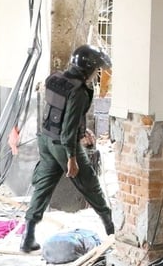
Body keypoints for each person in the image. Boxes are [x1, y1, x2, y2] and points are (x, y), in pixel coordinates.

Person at [21, 44, 114, 253]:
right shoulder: (79, 91)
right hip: (64, 144)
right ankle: (111, 228)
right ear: (88, 68)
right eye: (96, 69)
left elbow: (60, 114)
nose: (96, 73)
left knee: (43, 188)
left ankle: (28, 237)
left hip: (46, 139)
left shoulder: (56, 80)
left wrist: (83, 129)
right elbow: (68, 129)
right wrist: (72, 157)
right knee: (90, 183)